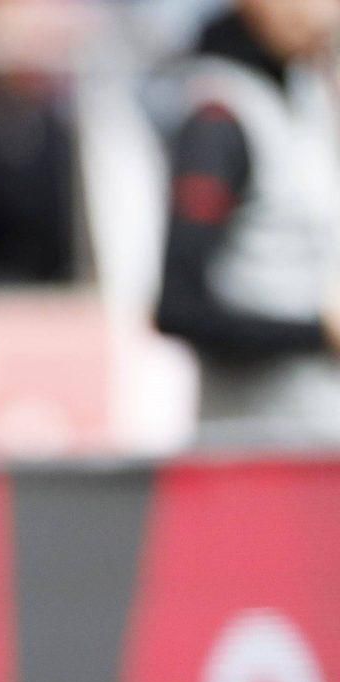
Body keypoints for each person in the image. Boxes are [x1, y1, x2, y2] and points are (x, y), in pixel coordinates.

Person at [154, 0, 340, 442]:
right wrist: (320, 333)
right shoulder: (218, 118)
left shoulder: (303, 96)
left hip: (316, 445)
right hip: (254, 455)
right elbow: (179, 308)